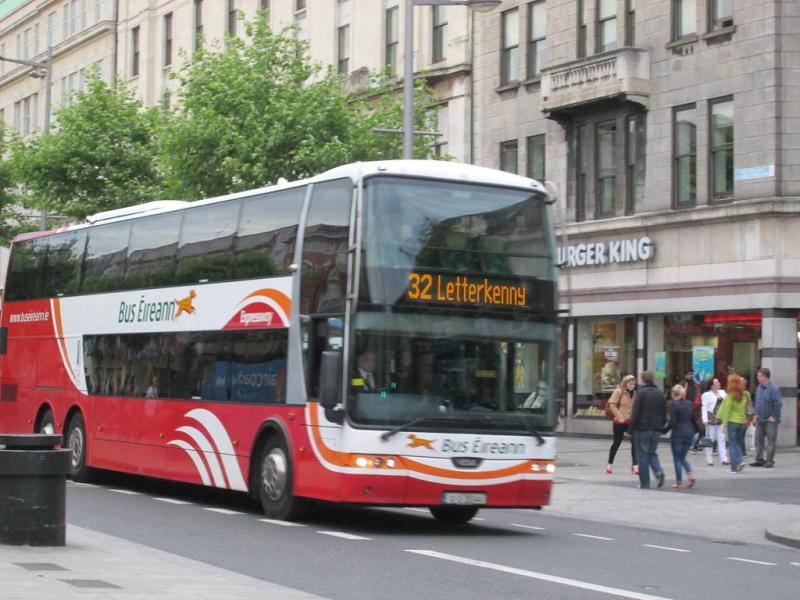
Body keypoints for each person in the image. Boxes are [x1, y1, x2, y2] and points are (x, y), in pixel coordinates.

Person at [630, 370, 666, 489]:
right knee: (652, 452)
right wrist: (662, 425)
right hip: (656, 428)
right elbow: (664, 411)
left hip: (642, 428)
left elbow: (636, 412)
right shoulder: (659, 393)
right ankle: (658, 471)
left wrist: (631, 428)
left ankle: (645, 483)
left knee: (642, 455)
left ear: (642, 379)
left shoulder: (641, 393)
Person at [605, 375, 638, 476]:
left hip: (630, 422)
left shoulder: (636, 394)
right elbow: (612, 405)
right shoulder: (619, 391)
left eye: (633, 384)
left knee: (634, 443)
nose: (632, 386)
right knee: (617, 443)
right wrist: (619, 417)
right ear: (625, 383)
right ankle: (609, 464)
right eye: (630, 384)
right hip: (619, 422)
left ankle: (635, 466)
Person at [665, 385, 696, 488]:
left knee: (677, 458)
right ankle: (690, 474)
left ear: (673, 394)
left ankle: (679, 481)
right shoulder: (689, 404)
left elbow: (672, 422)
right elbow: (693, 419)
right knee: (683, 457)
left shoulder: (673, 405)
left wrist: (664, 430)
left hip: (678, 434)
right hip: (689, 432)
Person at [751, 367, 782, 468]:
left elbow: (778, 403)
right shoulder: (759, 388)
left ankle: (769, 460)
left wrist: (774, 416)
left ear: (765, 377)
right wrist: (755, 414)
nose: (758, 378)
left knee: (770, 441)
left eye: (759, 376)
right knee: (758, 440)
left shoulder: (774, 388)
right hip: (760, 418)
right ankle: (759, 459)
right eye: (758, 376)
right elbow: (757, 403)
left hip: (770, 420)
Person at [717, 374, 748, 474]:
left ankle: (733, 467)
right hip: (742, 422)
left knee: (732, 445)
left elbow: (727, 410)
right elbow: (745, 409)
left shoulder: (730, 396)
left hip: (732, 423)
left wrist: (724, 424)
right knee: (737, 443)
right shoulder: (745, 395)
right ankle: (741, 460)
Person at [700, 378, 728, 467]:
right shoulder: (706, 394)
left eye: (718, 382)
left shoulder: (723, 393)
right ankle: (709, 459)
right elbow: (704, 407)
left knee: (722, 438)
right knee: (710, 439)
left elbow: (726, 405)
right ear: (712, 385)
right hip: (711, 418)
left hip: (720, 418)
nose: (719, 383)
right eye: (717, 382)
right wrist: (704, 419)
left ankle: (724, 459)